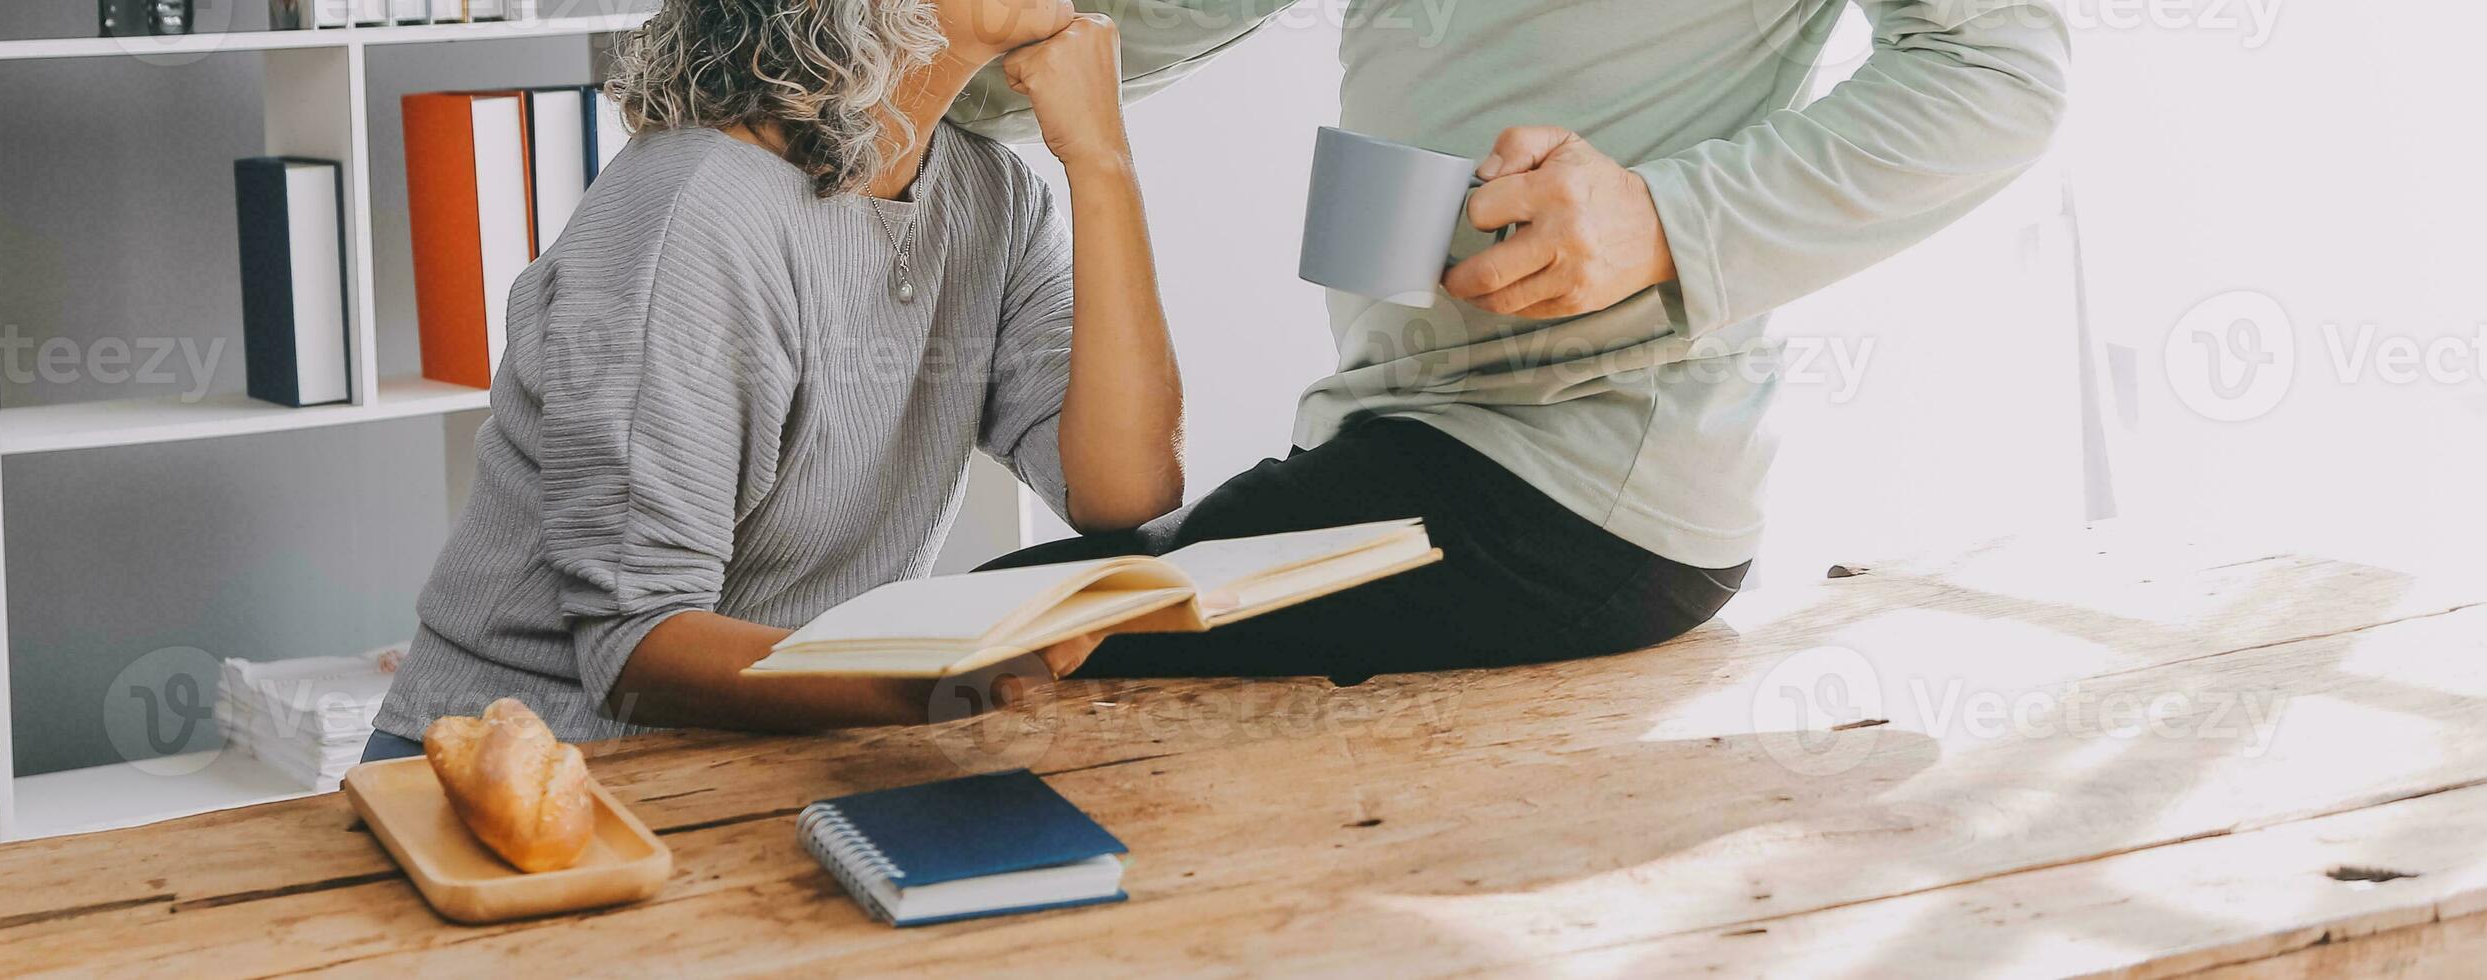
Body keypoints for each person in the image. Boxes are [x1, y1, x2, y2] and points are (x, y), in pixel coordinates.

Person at [954, 0, 2072, 679]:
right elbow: (1085, 34)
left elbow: (1999, 70)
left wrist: (1669, 222)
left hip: (1568, 478)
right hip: (1401, 433)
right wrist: (896, 59)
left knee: (955, 639)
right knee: (940, 644)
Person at [368, 0, 1180, 756]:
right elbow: (634, 647)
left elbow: (1125, 492)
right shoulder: (694, 210)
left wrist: (1102, 160)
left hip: (771, 757)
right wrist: (940, 685)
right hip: (527, 769)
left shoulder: (993, 200)